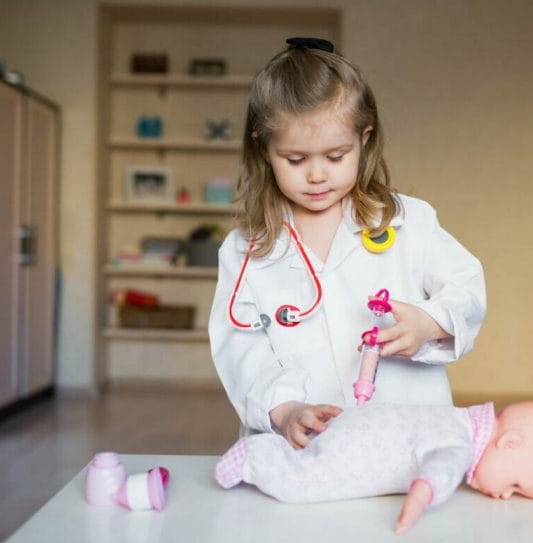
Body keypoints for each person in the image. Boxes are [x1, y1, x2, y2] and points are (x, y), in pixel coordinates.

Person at [208, 37, 486, 448]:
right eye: (296, 160)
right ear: (264, 148)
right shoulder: (245, 250)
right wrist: (284, 410)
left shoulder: (408, 222)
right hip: (302, 444)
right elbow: (240, 349)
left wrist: (431, 323)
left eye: (336, 156)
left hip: (406, 438)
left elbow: (467, 287)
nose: (317, 175)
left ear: (364, 139)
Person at [214, 401, 533, 534]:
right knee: (303, 483)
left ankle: (276, 451)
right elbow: (443, 467)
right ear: (509, 443)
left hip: (355, 422)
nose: (503, 494)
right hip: (355, 448)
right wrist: (423, 495)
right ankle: (256, 457)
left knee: (309, 462)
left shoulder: (456, 418)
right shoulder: (460, 443)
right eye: (515, 484)